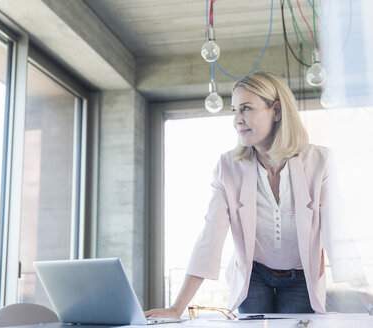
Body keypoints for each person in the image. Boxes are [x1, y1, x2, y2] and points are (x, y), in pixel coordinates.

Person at [145, 71, 364, 318]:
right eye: (234, 110)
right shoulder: (227, 167)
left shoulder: (319, 161)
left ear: (277, 111)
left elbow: (337, 232)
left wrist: (365, 296)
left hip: (301, 278)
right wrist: (176, 308)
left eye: (246, 108)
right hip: (253, 276)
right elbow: (210, 237)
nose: (237, 119)